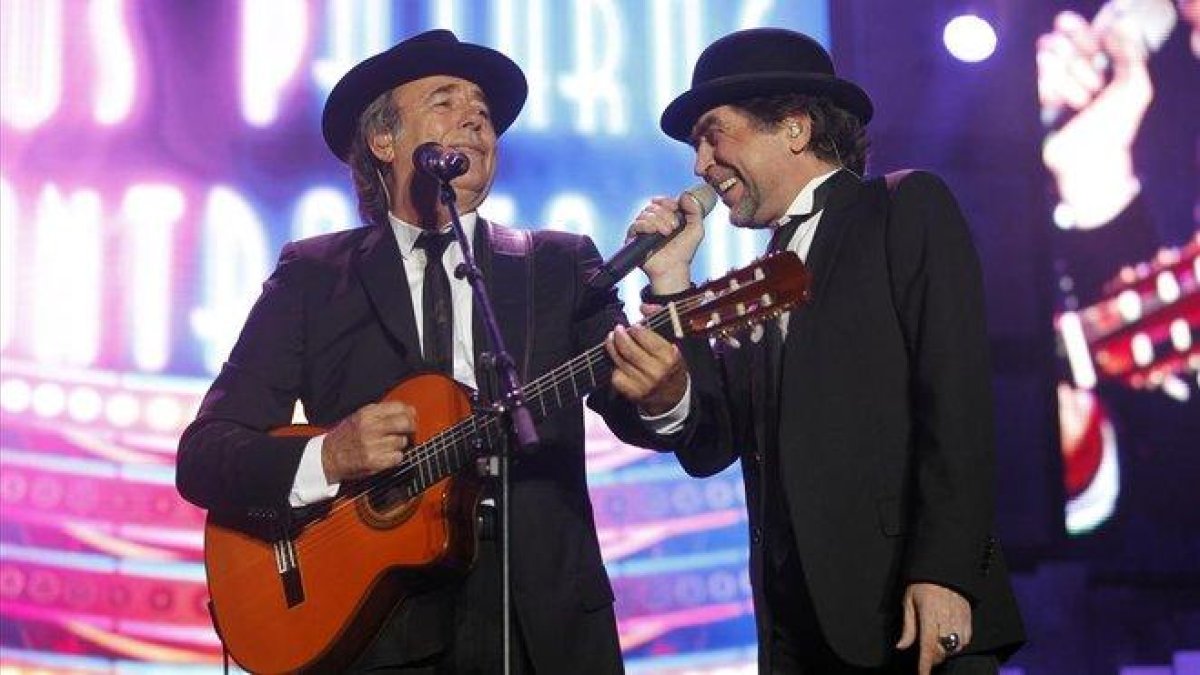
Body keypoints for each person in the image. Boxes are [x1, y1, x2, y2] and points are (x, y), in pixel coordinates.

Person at [176, 29, 659, 674]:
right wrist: (330, 454)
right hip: (377, 634)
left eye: (483, 113)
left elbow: (642, 411)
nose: (474, 121)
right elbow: (204, 455)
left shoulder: (560, 265)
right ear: (384, 140)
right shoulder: (314, 277)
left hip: (542, 631)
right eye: (444, 102)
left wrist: (667, 388)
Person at [605, 28, 1026, 674]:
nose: (700, 166)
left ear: (794, 129)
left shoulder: (901, 209)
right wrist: (669, 283)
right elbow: (711, 439)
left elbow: (958, 401)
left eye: (713, 134)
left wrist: (946, 572)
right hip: (796, 634)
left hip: (910, 616)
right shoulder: (759, 277)